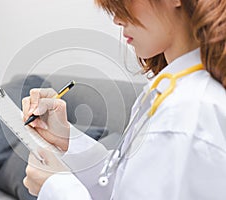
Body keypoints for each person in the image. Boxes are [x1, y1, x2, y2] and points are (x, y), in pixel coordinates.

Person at [21, 0, 226, 199]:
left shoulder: (185, 113)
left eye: (125, 3)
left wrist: (56, 187)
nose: (117, 19)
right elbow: (122, 185)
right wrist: (66, 138)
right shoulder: (175, 95)